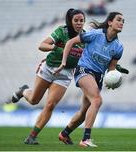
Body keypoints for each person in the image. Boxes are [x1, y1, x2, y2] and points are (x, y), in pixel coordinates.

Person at [10, 8, 86, 145]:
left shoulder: (85, 38)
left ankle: (32, 136)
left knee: (50, 105)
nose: (79, 23)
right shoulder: (61, 32)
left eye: (81, 21)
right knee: (34, 100)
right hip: (49, 68)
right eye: (76, 20)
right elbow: (42, 45)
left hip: (65, 74)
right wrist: (56, 48)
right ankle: (23, 91)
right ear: (70, 21)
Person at [55, 11, 126, 147]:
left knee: (84, 112)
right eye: (119, 20)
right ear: (110, 22)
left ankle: (64, 134)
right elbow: (71, 42)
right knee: (97, 100)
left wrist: (115, 76)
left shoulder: (119, 47)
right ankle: (85, 139)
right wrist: (63, 62)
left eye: (123, 21)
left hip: (98, 77)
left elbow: (111, 68)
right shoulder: (96, 34)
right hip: (84, 70)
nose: (121, 23)